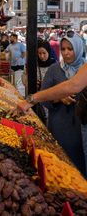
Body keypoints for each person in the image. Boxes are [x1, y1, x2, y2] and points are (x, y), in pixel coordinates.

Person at [39, 33, 85, 175]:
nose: (66, 53)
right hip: (59, 125)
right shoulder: (54, 70)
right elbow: (43, 97)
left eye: (70, 49)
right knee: (60, 165)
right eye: (63, 49)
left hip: (81, 126)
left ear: (78, 49)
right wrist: (58, 98)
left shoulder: (85, 71)